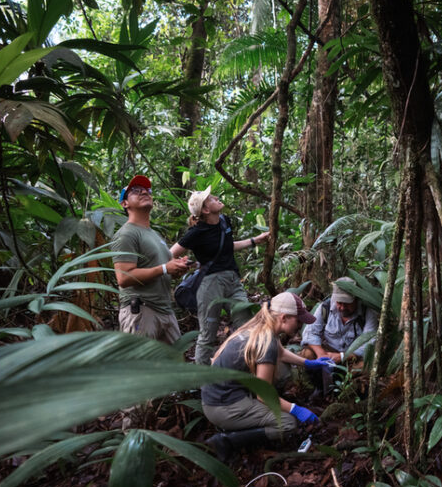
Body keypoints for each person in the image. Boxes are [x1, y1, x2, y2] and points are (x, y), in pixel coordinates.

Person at [201, 292, 333, 459]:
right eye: (298, 321)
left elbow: (282, 353)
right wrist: (296, 410)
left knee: (282, 370)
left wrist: (308, 363)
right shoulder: (266, 341)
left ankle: (238, 424)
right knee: (287, 423)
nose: (300, 325)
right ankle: (227, 440)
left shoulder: (261, 326)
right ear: (284, 318)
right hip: (222, 407)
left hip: (217, 396)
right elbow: (264, 395)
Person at [169, 187, 270, 365]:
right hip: (210, 285)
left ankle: (245, 369)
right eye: (211, 199)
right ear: (206, 210)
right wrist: (183, 265)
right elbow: (171, 253)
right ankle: (203, 381)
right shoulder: (197, 232)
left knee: (245, 325)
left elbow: (227, 246)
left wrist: (255, 240)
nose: (216, 198)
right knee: (208, 334)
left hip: (232, 280)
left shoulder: (224, 221)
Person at [111, 174, 192, 344]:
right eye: (135, 191)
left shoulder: (155, 235)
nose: (144, 192)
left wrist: (177, 267)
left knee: (176, 368)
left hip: (165, 311)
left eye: (147, 190)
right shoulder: (126, 234)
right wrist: (164, 268)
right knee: (142, 369)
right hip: (142, 311)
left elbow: (163, 270)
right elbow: (124, 277)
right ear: (124, 204)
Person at [300, 276, 379, 367]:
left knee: (366, 366)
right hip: (329, 351)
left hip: (354, 356)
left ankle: (349, 378)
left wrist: (342, 357)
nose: (342, 307)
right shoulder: (325, 308)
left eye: (347, 303)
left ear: (356, 299)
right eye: (339, 303)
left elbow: (370, 343)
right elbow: (310, 333)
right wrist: (321, 354)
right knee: (307, 354)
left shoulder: (367, 312)